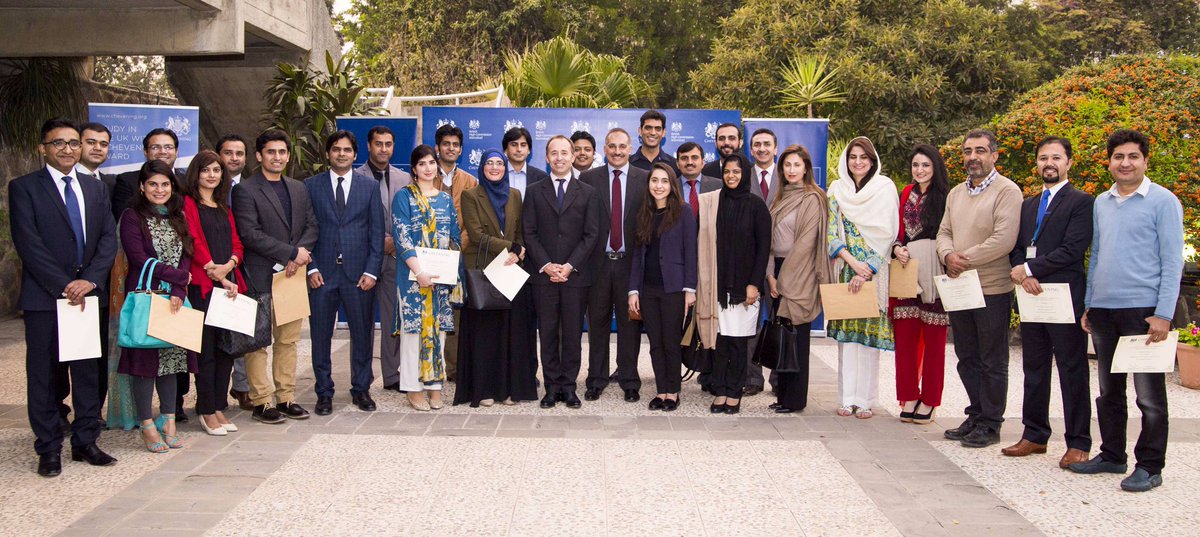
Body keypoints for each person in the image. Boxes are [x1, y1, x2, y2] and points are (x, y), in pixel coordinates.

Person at [1069, 129, 1183, 493]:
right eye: (1118, 157)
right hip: (1104, 310)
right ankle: (1112, 455)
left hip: (1144, 312)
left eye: (1133, 156)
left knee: (1148, 396)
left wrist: (1163, 313)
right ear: (1109, 162)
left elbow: (1172, 261)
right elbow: (1097, 255)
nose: (1125, 163)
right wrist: (1090, 303)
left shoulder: (1163, 201)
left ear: (1145, 160)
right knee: (1109, 391)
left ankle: (1149, 465)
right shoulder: (1102, 202)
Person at [10, 118, 118, 477]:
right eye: (58, 143)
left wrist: (89, 281)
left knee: (87, 372)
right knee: (43, 375)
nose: (68, 149)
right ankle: (49, 447)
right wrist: (64, 285)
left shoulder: (95, 188)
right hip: (45, 298)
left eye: (73, 143)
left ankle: (86, 441)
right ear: (43, 148)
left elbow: (108, 240)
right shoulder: (24, 187)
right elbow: (28, 243)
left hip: (87, 297)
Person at [1004, 137, 1094, 468]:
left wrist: (1030, 269)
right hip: (1032, 296)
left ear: (1069, 162)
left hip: (1064, 297)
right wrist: (1022, 273)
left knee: (1072, 369)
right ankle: (1035, 434)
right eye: (1043, 158)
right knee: (1034, 367)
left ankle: (1078, 442)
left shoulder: (1082, 202)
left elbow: (1073, 249)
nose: (1049, 163)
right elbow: (1017, 247)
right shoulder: (1028, 205)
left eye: (1056, 157)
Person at [937, 129, 1022, 448]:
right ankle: (975, 414)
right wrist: (947, 255)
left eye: (980, 151)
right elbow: (944, 232)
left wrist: (962, 259)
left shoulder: (1007, 191)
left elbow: (1003, 239)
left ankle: (991, 422)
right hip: (961, 288)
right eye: (968, 151)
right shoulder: (956, 194)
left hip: (992, 288)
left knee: (992, 359)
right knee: (967, 356)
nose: (973, 157)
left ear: (994, 155)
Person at [231, 129, 318, 424]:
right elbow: (249, 234)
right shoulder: (245, 190)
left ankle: (286, 397)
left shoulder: (298, 188)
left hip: (291, 278)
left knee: (288, 341)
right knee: (258, 342)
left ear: (288, 156)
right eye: (271, 152)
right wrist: (291, 253)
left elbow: (311, 225)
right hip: (259, 277)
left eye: (282, 152)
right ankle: (261, 401)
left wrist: (299, 255)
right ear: (259, 156)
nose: (277, 157)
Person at [118, 159, 196, 452]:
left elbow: (186, 253)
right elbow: (138, 257)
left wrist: (178, 287)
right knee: (145, 365)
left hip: (174, 299)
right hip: (147, 297)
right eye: (153, 184)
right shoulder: (132, 216)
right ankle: (146, 424)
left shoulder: (178, 215)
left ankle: (168, 420)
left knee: (171, 363)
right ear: (142, 186)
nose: (159, 190)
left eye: (165, 184)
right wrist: (178, 277)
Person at [305, 131, 384, 415]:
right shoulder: (311, 186)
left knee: (362, 335)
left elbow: (377, 233)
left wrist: (372, 271)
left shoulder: (369, 187)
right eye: (336, 149)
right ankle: (324, 392)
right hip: (322, 274)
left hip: (359, 275)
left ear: (355, 154)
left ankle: (361, 389)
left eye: (347, 150)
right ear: (328, 153)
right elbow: (304, 230)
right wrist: (311, 266)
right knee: (320, 336)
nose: (341, 154)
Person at [455, 148, 538, 407]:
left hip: (510, 270)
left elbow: (520, 230)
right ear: (482, 167)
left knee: (509, 332)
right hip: (483, 270)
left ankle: (508, 389)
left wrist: (518, 251)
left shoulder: (514, 195)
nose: (494, 167)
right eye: (489, 163)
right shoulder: (471, 195)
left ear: (505, 167)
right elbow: (476, 235)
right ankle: (484, 390)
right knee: (485, 334)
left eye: (499, 163)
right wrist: (511, 247)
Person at [524, 138, 600, 409]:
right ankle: (551, 387)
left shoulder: (588, 192)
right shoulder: (534, 191)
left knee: (571, 335)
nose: (559, 157)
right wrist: (546, 265)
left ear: (573, 156)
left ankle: (569, 387)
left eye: (564, 152)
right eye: (554, 153)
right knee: (547, 334)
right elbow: (529, 232)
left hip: (575, 276)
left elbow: (591, 234)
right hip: (543, 276)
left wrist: (569, 265)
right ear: (546, 157)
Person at [826, 137, 898, 419]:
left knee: (867, 338)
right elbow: (831, 232)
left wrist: (867, 269)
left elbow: (888, 232)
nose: (858, 162)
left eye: (863, 157)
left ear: (872, 160)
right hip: (846, 270)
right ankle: (846, 398)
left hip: (874, 273)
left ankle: (865, 400)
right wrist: (854, 265)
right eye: (853, 157)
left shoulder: (884, 188)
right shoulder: (837, 189)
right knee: (847, 340)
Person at [696, 153, 771, 414]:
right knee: (720, 342)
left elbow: (763, 249)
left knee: (738, 343)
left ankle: (734, 393)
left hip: (744, 289)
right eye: (727, 172)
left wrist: (754, 284)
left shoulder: (756, 205)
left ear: (745, 174)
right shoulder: (714, 203)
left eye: (736, 172)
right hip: (717, 286)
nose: (731, 176)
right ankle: (720, 390)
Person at [580, 128, 648, 403]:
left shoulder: (645, 179)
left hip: (630, 265)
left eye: (622, 146)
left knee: (630, 324)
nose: (617, 151)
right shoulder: (588, 179)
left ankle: (629, 380)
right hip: (597, 264)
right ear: (604, 149)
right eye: (612, 146)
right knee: (597, 324)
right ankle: (596, 379)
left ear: (630, 148)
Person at [392, 145, 462, 411]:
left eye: (432, 162)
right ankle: (412, 388)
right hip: (412, 277)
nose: (428, 168)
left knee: (438, 333)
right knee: (413, 334)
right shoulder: (404, 197)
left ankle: (434, 386)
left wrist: (451, 270)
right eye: (422, 164)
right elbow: (402, 237)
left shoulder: (445, 199)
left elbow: (454, 236)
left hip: (441, 279)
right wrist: (420, 272)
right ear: (414, 169)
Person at [182, 150, 246, 436]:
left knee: (225, 351)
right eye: (206, 170)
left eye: (216, 170)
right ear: (196, 173)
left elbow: (237, 243)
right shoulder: (187, 204)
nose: (211, 175)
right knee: (205, 351)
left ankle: (219, 405)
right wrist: (213, 269)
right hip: (203, 286)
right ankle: (206, 409)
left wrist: (229, 265)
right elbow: (192, 239)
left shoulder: (223, 206)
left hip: (228, 286)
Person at [889, 145, 951, 424]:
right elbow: (898, 231)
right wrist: (897, 248)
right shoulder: (905, 193)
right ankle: (909, 396)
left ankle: (930, 399)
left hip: (935, 265)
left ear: (935, 166)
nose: (920, 170)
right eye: (915, 165)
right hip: (907, 266)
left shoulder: (946, 196)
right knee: (905, 338)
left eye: (925, 165)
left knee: (935, 340)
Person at [766, 145, 831, 413]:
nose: (791, 170)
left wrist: (782, 280)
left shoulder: (813, 198)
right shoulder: (779, 198)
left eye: (797, 165)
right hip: (777, 272)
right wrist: (770, 275)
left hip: (800, 273)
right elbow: (770, 242)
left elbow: (806, 243)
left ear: (806, 168)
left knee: (797, 339)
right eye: (787, 165)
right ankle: (782, 395)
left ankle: (795, 400)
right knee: (783, 338)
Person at [628, 163, 697, 411]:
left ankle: (673, 392)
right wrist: (633, 290)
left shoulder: (683, 211)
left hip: (674, 289)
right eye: (654, 180)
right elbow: (637, 255)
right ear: (649, 184)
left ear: (672, 185)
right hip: (648, 289)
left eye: (664, 181)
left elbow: (691, 251)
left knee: (670, 341)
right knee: (655, 343)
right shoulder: (644, 213)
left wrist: (690, 289)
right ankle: (661, 390)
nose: (659, 186)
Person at [354, 125, 412, 392]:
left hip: (393, 258)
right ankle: (361, 377)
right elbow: (352, 221)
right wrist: (379, 241)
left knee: (392, 319)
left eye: (388, 144)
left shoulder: (404, 178)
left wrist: (394, 243)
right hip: (363, 260)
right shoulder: (355, 177)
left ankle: (392, 375)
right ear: (369, 146)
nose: (383, 149)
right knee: (362, 322)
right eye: (378, 144)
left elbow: (409, 217)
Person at [434, 123, 479, 382]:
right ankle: (430, 367)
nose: (451, 148)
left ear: (461, 150)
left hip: (460, 257)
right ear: (438, 148)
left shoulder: (470, 181)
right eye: (446, 144)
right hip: (429, 257)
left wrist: (455, 248)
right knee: (431, 312)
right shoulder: (425, 175)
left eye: (455, 145)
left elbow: (475, 222)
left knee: (456, 315)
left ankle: (453, 368)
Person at [216, 133, 253, 411]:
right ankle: (213, 393)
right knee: (214, 336)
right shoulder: (204, 188)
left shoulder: (251, 188)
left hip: (245, 269)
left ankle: (242, 386)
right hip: (210, 269)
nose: (234, 158)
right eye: (228, 153)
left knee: (243, 330)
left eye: (239, 153)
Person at [744, 127, 780, 396]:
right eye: (757, 144)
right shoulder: (742, 176)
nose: (762, 148)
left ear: (775, 148)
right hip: (751, 260)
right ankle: (752, 378)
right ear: (751, 149)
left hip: (782, 262)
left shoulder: (788, 176)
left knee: (781, 322)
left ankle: (780, 379)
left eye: (767, 144)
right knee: (749, 322)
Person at [113, 128, 186, 220]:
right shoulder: (127, 181)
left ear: (176, 151)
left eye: (168, 147)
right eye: (155, 147)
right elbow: (124, 219)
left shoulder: (187, 181)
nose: (163, 151)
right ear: (145, 151)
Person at [675, 141, 722, 219]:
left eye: (694, 158)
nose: (689, 162)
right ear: (677, 164)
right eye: (684, 158)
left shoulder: (718, 186)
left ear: (703, 162)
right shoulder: (670, 187)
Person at [503, 127, 549, 196]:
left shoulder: (542, 177)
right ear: (505, 149)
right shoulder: (496, 174)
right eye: (514, 145)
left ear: (529, 150)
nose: (519, 149)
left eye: (523, 145)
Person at [76, 122, 115, 191]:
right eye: (91, 142)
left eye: (104, 144)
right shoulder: (66, 178)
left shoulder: (113, 184)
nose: (98, 148)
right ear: (77, 144)